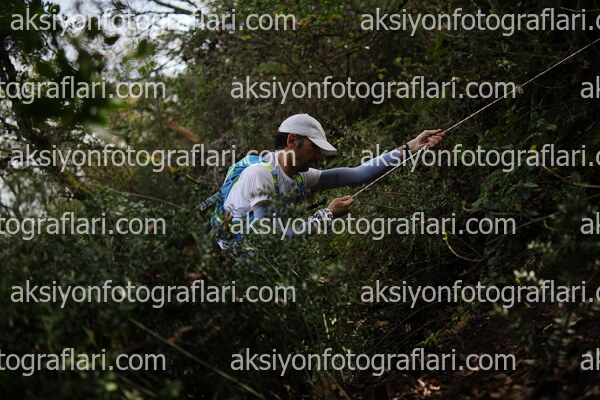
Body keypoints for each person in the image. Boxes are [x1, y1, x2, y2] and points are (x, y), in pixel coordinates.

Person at [212, 113, 445, 249]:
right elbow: (269, 237)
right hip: (236, 266)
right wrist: (325, 216)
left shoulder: (301, 176)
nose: (318, 157)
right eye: (314, 148)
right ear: (292, 140)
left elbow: (358, 174)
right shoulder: (260, 174)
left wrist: (410, 147)